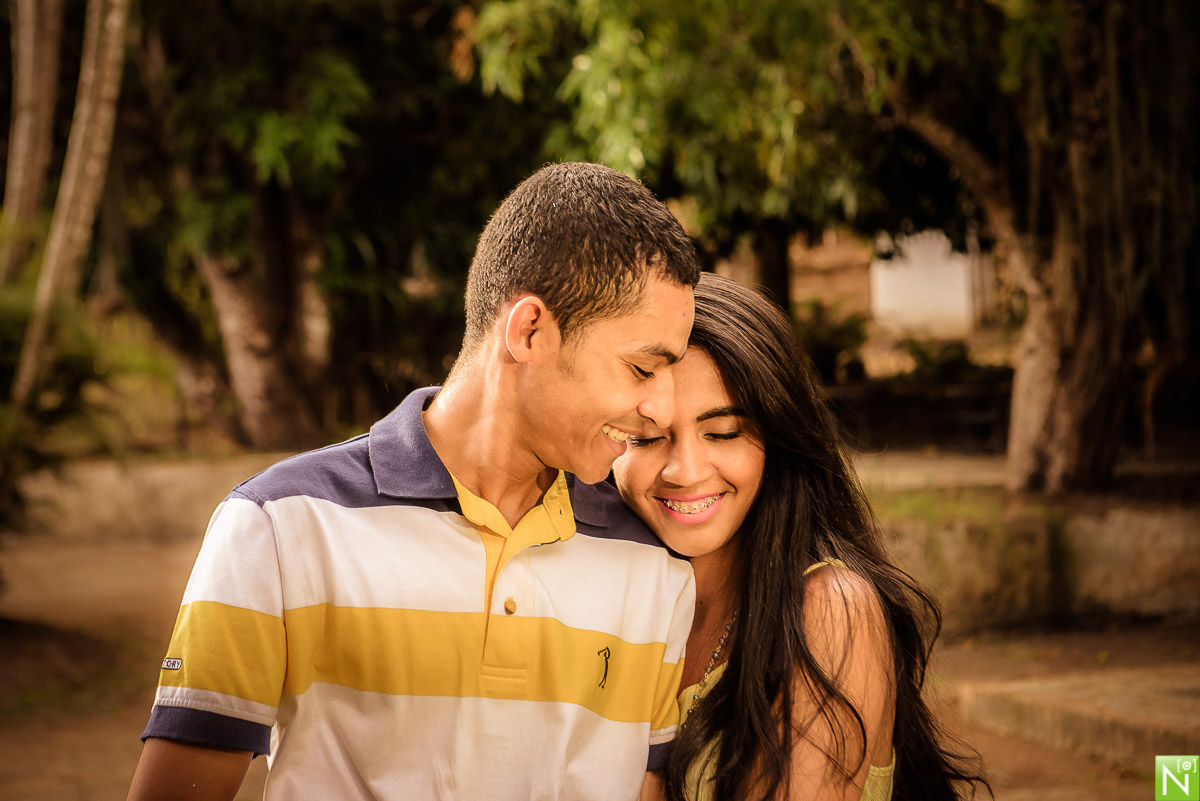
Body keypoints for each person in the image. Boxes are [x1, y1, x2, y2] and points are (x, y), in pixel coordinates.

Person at [127, 162, 701, 801]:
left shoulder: (656, 567)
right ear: (530, 331)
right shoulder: (277, 526)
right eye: (643, 367)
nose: (663, 408)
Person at [613, 273, 989, 801]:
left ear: (777, 435)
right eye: (647, 437)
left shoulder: (831, 610)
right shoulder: (606, 600)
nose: (685, 470)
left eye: (722, 433)